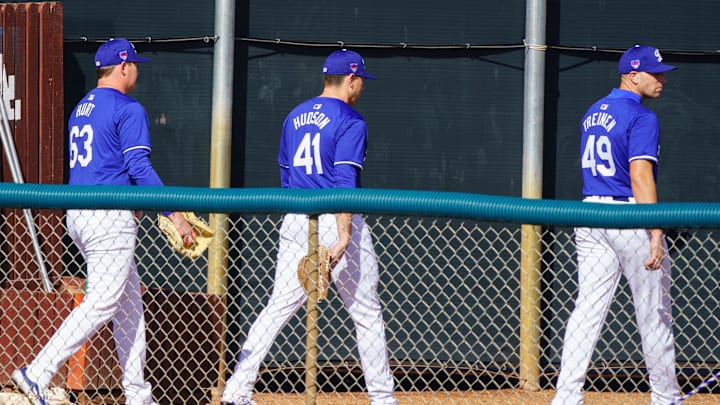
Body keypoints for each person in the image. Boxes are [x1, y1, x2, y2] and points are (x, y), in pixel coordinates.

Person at [12, 38, 197, 405]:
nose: (138, 71)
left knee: (129, 308)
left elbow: (105, 164)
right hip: (109, 218)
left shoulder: (81, 107)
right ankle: (38, 372)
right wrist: (173, 213)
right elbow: (139, 167)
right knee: (101, 303)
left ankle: (137, 394)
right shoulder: (129, 108)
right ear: (124, 67)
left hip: (80, 214)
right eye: (135, 65)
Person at [220, 49, 398, 405]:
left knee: (278, 306)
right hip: (337, 218)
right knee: (365, 313)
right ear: (351, 79)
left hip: (297, 216)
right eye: (361, 79)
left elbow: (286, 177)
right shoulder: (351, 119)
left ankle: (237, 389)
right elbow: (344, 180)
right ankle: (382, 399)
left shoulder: (294, 115)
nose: (362, 86)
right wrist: (345, 234)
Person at [552, 45, 680, 405]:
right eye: (656, 73)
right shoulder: (642, 116)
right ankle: (666, 398)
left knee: (587, 310)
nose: (662, 78)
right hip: (628, 217)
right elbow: (640, 175)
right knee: (654, 314)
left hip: (590, 214)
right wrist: (655, 231)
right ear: (633, 74)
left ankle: (566, 397)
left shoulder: (594, 110)